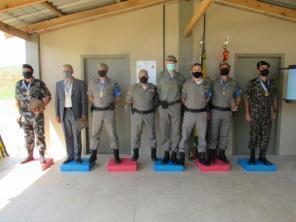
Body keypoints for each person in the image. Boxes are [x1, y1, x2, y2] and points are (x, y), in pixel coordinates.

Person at [15, 64, 51, 164]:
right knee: (27, 136)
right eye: (23, 70)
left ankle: (42, 156)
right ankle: (30, 155)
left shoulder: (39, 83)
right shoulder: (18, 84)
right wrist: (18, 114)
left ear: (31, 71)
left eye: (27, 70)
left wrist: (42, 107)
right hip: (24, 116)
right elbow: (16, 100)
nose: (25, 72)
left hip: (37, 116)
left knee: (39, 135)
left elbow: (48, 96)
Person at [244, 61, 278, 165]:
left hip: (267, 114)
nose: (265, 69)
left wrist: (275, 111)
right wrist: (247, 113)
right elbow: (246, 98)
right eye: (262, 67)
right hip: (255, 113)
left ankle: (262, 156)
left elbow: (274, 97)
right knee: (254, 135)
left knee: (266, 136)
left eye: (266, 67)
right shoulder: (252, 83)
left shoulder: (272, 83)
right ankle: (252, 156)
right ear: (258, 69)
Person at [87, 63, 121, 164]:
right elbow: (90, 96)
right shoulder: (92, 82)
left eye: (103, 70)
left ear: (107, 70)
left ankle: (116, 156)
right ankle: (93, 155)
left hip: (108, 112)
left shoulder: (113, 82)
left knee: (112, 134)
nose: (101, 71)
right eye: (99, 70)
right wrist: (98, 103)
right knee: (94, 134)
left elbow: (118, 96)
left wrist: (110, 103)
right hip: (97, 112)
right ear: (97, 70)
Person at [178, 63, 211, 166]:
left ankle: (201, 156)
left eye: (199, 69)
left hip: (202, 113)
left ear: (202, 71)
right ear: (191, 71)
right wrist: (190, 106)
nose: (197, 71)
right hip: (189, 113)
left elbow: (208, 97)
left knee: (202, 136)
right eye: (195, 69)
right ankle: (182, 156)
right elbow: (183, 98)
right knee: (185, 135)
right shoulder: (186, 84)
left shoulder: (207, 83)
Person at [208, 62, 241, 164]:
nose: (225, 69)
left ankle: (222, 153)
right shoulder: (213, 83)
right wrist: (207, 111)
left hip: (227, 112)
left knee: (224, 134)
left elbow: (238, 95)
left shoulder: (234, 83)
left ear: (229, 69)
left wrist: (237, 105)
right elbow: (208, 98)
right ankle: (212, 154)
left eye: (227, 67)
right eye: (223, 67)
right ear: (219, 68)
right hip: (215, 111)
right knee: (213, 133)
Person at [55, 64, 88, 164]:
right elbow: (57, 100)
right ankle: (70, 156)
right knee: (67, 135)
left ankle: (77, 156)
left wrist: (84, 114)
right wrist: (57, 114)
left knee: (76, 135)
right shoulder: (59, 84)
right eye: (64, 71)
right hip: (64, 112)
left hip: (76, 113)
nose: (66, 73)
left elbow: (84, 100)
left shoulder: (80, 83)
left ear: (72, 71)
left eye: (68, 71)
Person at [157, 55, 185, 164]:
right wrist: (161, 99)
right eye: (168, 62)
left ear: (175, 64)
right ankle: (166, 153)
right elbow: (158, 90)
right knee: (165, 130)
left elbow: (183, 91)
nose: (170, 64)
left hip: (176, 106)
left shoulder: (180, 77)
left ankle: (174, 153)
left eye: (172, 62)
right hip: (163, 106)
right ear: (165, 63)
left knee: (176, 130)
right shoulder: (160, 76)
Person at [126, 69, 159, 161]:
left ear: (148, 76)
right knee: (136, 135)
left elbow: (157, 100)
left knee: (152, 134)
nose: (143, 77)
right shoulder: (133, 88)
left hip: (149, 114)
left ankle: (153, 155)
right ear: (138, 77)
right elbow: (128, 100)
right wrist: (134, 108)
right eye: (141, 75)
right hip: (137, 114)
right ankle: (136, 154)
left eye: (145, 75)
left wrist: (153, 110)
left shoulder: (153, 87)